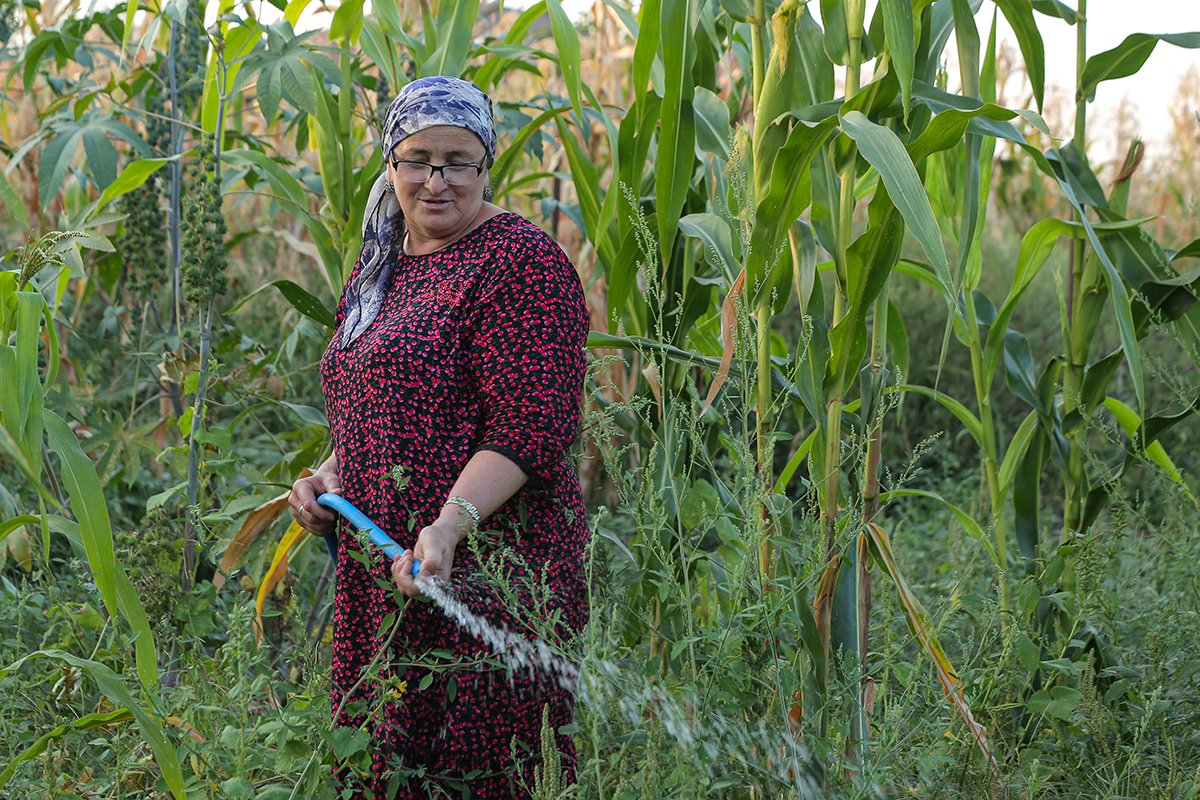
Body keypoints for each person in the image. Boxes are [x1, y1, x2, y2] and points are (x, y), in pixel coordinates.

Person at [288, 76, 591, 799]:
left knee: (480, 766)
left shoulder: (520, 262)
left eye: (458, 161)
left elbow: (531, 423)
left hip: (490, 571)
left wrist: (452, 526)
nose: (436, 179)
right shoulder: (379, 264)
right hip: (386, 571)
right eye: (417, 159)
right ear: (390, 164)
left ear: (487, 165)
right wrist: (329, 476)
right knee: (382, 759)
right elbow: (370, 401)